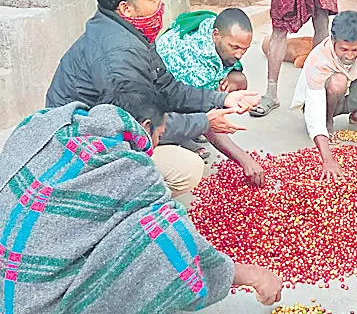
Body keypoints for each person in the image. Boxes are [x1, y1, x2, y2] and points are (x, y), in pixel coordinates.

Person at [0, 83, 282, 313]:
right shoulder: (132, 171)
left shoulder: (51, 124)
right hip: (41, 302)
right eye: (158, 136)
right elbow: (173, 243)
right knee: (154, 247)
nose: (154, 145)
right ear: (146, 126)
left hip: (7, 280)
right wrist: (255, 276)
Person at [45, 0, 262, 197]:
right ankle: (113, 202)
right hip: (79, 145)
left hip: (101, 123)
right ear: (126, 9)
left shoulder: (127, 33)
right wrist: (204, 122)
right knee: (187, 169)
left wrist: (222, 99)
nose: (161, 6)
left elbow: (168, 87)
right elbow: (140, 126)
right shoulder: (119, 55)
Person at [155, 8, 265, 185]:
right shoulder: (194, 61)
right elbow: (195, 103)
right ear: (216, 35)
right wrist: (244, 160)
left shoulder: (215, 29)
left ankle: (191, 130)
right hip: (159, 98)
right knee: (203, 116)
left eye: (244, 49)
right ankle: (178, 138)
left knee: (237, 80)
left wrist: (224, 78)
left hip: (183, 87)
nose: (238, 54)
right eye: (234, 47)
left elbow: (233, 69)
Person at [291, 11, 357, 180]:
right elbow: (313, 110)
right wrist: (328, 159)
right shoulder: (318, 60)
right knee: (338, 81)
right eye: (344, 49)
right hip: (323, 103)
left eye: (355, 49)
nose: (350, 55)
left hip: (349, 96)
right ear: (333, 41)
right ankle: (329, 121)